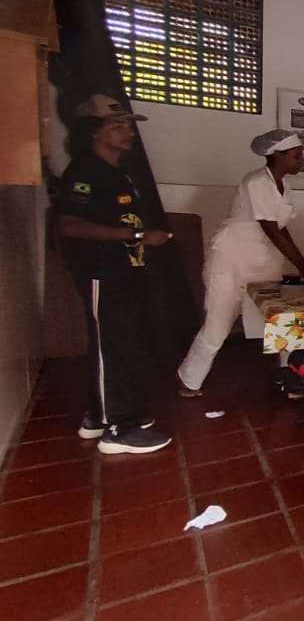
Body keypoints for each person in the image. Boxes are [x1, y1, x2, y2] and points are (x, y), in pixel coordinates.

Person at [58, 94, 172, 454]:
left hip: (124, 271)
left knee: (122, 343)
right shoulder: (84, 172)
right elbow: (70, 225)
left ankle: (99, 416)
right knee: (112, 345)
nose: (128, 133)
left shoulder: (116, 172)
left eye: (129, 126)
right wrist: (137, 236)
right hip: (102, 271)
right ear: (94, 131)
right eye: (118, 126)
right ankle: (118, 431)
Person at [176, 129, 304, 397]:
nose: (301, 161)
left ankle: (289, 377)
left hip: (264, 260)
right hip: (232, 259)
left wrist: (302, 262)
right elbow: (271, 229)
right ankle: (189, 380)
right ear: (278, 155)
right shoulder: (256, 182)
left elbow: (281, 227)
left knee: (281, 319)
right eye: (297, 156)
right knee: (218, 325)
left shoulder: (284, 186)